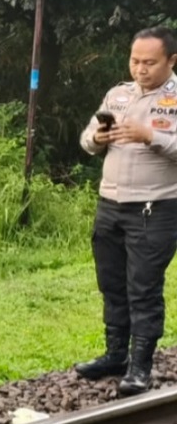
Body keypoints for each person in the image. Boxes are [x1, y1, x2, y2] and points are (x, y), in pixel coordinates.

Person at [75, 26, 177, 398]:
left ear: (171, 61)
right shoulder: (117, 94)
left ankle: (140, 366)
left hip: (156, 207)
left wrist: (150, 136)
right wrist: (96, 139)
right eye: (135, 61)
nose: (140, 69)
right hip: (110, 204)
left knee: (143, 288)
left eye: (149, 62)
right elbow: (86, 139)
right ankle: (115, 354)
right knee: (112, 284)